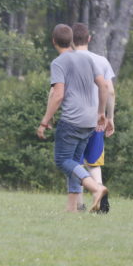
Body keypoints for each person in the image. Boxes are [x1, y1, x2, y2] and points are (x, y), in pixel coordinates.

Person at [36, 24, 109, 212]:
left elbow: (58, 95)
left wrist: (45, 121)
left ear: (53, 41)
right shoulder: (87, 59)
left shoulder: (59, 62)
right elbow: (104, 86)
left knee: (62, 160)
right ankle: (72, 209)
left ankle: (96, 189)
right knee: (75, 163)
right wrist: (101, 113)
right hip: (89, 121)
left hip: (72, 120)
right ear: (71, 40)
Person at [72, 23, 116, 213]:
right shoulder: (102, 61)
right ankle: (100, 195)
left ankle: (79, 205)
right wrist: (109, 117)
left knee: (75, 163)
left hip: (75, 119)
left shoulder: (67, 61)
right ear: (89, 39)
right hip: (97, 120)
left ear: (71, 40)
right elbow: (110, 92)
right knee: (94, 163)